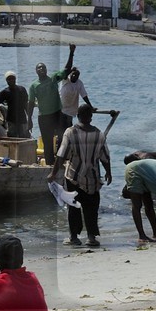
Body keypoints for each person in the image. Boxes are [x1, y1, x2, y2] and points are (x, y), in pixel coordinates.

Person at [57, 102, 112, 247]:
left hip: (73, 176)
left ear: (78, 116)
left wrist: (53, 172)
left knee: (73, 207)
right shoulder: (98, 134)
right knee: (91, 208)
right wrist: (109, 172)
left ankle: (74, 237)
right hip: (92, 178)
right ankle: (91, 238)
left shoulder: (70, 132)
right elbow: (105, 156)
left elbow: (62, 154)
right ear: (91, 117)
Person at [30, 50, 71, 161]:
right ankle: (49, 164)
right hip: (44, 117)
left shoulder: (53, 79)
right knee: (47, 142)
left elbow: (66, 71)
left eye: (43, 67)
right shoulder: (34, 86)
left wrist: (71, 53)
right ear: (36, 71)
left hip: (57, 114)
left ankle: (60, 161)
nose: (41, 69)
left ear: (46, 70)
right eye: (39, 68)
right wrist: (29, 119)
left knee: (63, 139)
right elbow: (30, 103)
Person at [0, 71, 32, 139]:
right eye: (9, 79)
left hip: (22, 119)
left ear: (15, 79)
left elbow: (26, 105)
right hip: (11, 121)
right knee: (12, 140)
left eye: (12, 78)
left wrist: (30, 119)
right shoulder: (5, 92)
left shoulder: (22, 90)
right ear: (6, 81)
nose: (11, 80)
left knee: (25, 138)